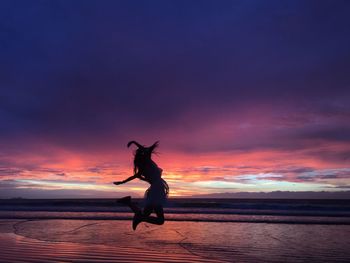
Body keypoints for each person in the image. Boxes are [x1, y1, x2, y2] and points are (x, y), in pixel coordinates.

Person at [114, 140, 169, 230]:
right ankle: (133, 208)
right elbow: (144, 149)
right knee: (160, 220)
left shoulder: (143, 168)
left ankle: (128, 202)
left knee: (145, 215)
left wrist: (122, 182)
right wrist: (134, 142)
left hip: (154, 191)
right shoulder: (148, 162)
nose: (145, 152)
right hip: (157, 191)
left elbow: (134, 176)